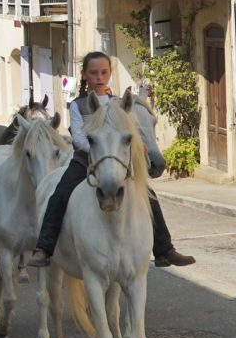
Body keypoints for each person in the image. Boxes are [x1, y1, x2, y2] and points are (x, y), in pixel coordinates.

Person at [27, 51, 195, 268]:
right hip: (85, 161)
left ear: (110, 74)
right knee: (60, 194)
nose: (99, 77)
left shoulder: (119, 103)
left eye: (104, 72)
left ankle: (164, 250)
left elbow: (130, 131)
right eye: (94, 72)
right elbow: (78, 136)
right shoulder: (78, 105)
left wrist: (138, 147)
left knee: (148, 195)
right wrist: (100, 151)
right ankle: (44, 248)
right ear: (85, 75)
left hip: (117, 162)